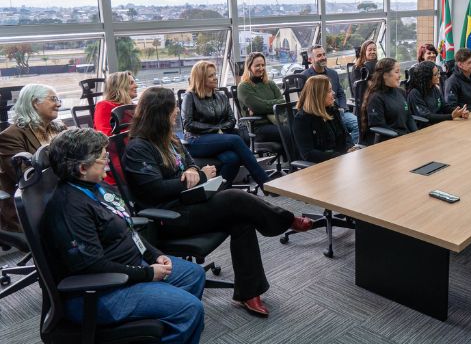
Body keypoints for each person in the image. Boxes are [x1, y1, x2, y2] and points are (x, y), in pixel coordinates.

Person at [123, 87, 311, 317]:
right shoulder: (138, 148)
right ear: (159, 113)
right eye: (172, 110)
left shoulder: (170, 140)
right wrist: (198, 177)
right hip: (169, 217)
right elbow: (154, 190)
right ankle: (286, 220)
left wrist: (193, 170)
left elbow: (190, 163)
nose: (175, 115)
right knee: (234, 197)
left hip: (190, 204)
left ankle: (249, 294)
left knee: (242, 219)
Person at [44, 128, 206, 344]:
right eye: (103, 159)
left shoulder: (97, 186)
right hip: (101, 291)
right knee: (189, 309)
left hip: (129, 268)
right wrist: (147, 274)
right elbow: (92, 267)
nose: (109, 163)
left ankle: (158, 331)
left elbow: (127, 228)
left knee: (193, 275)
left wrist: (153, 255)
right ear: (83, 168)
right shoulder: (70, 207)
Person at [182, 60, 270, 188]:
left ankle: (220, 191)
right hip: (196, 140)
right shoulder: (190, 97)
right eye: (210, 76)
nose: (215, 78)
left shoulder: (221, 96)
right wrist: (216, 129)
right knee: (235, 140)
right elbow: (188, 124)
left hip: (220, 139)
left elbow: (231, 120)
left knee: (232, 159)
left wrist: (219, 130)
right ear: (201, 78)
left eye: (215, 74)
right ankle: (266, 184)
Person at [0, 84, 65, 232]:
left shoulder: (58, 127)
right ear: (35, 103)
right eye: (53, 99)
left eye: (58, 99)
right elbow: (29, 179)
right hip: (34, 205)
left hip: (61, 195)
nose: (58, 104)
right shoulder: (10, 137)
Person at [301, 45, 360, 144]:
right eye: (319, 55)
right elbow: (306, 101)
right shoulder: (305, 77)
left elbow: (341, 94)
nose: (323, 57)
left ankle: (350, 148)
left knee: (358, 124)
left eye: (324, 54)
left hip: (339, 111)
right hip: (319, 115)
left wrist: (342, 108)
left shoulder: (333, 73)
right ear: (310, 59)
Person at [293, 76, 355, 163]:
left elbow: (345, 134)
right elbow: (308, 154)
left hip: (342, 161)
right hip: (322, 166)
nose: (333, 93)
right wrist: (338, 156)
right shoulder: (302, 119)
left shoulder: (332, 109)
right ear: (318, 95)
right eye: (329, 91)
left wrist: (350, 148)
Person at [360, 58, 417, 143]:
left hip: (405, 138)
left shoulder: (401, 92)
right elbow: (380, 127)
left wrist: (417, 134)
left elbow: (409, 117)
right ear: (385, 75)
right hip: (390, 142)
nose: (400, 75)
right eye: (396, 72)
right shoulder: (375, 98)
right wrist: (405, 137)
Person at [236, 52, 287, 144]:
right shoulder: (244, 87)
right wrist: (275, 103)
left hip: (277, 122)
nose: (261, 68)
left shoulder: (270, 83)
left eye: (263, 65)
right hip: (259, 127)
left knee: (299, 128)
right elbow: (258, 107)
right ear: (249, 67)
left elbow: (283, 103)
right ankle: (294, 158)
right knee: (288, 132)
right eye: (257, 66)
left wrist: (264, 105)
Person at [407, 61, 469, 126]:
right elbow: (426, 116)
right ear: (427, 77)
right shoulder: (414, 93)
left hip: (439, 124)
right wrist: (450, 116)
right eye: (435, 74)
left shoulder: (434, 88)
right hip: (425, 129)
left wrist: (460, 113)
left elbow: (444, 107)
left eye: (438, 73)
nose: (439, 76)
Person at [93, 71, 137, 135]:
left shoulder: (134, 106)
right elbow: (105, 136)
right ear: (119, 87)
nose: (136, 86)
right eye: (131, 83)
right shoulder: (104, 105)